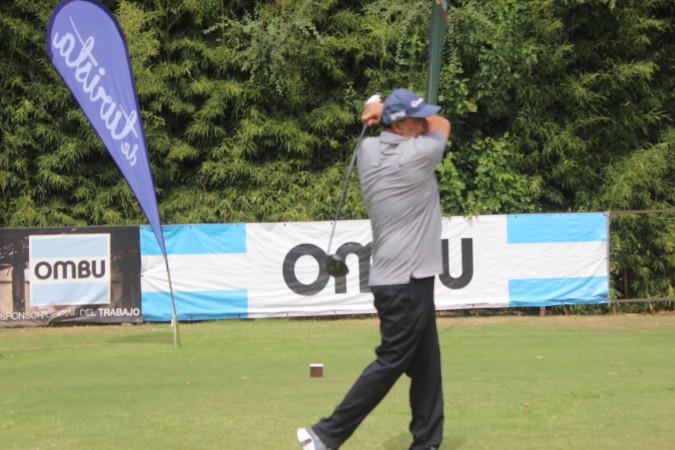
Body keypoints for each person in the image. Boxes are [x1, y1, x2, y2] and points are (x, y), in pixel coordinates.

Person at [297, 88, 451, 450]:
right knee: (390, 362)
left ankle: (427, 442)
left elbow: (408, 122)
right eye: (415, 120)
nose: (423, 124)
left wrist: (378, 109)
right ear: (398, 127)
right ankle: (325, 435)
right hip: (407, 282)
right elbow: (442, 123)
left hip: (398, 280)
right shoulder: (417, 154)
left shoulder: (366, 150)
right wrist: (381, 109)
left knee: (427, 365)